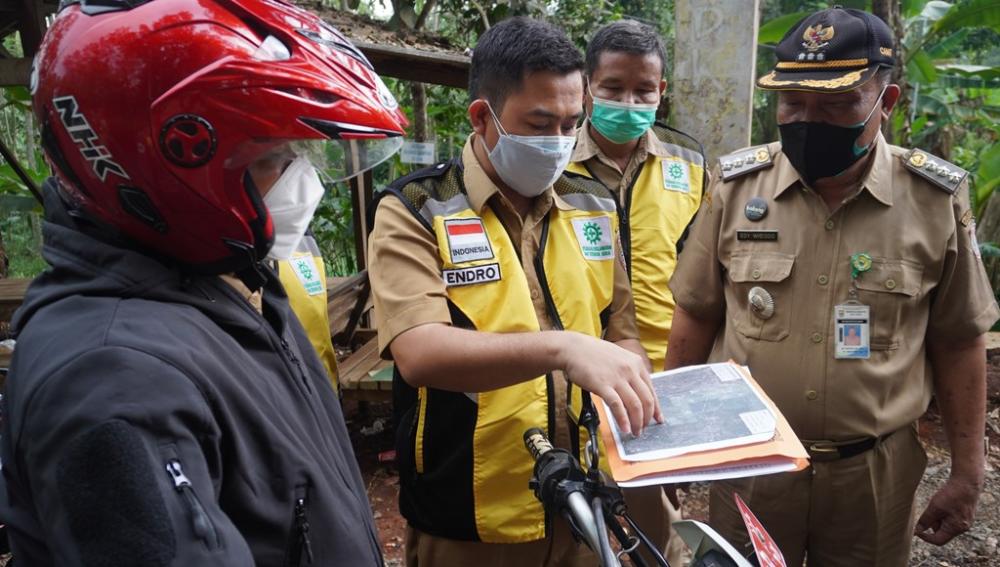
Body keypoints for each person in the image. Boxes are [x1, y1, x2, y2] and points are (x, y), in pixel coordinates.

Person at [0, 0, 407, 564]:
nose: (304, 182)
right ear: (168, 163)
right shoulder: (116, 382)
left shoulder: (227, 282)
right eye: (279, 156)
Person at [665, 7, 999, 566]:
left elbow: (959, 337)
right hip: (752, 467)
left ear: (886, 104)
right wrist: (671, 447)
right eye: (792, 104)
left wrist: (969, 470)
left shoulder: (934, 200)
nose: (807, 121)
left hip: (872, 478)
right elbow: (696, 316)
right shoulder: (736, 186)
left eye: (837, 105)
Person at [368, 17, 661, 567]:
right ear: (484, 117)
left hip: (584, 508)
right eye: (540, 122)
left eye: (573, 123)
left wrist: (634, 390)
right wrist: (564, 348)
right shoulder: (418, 207)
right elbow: (421, 352)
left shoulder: (592, 203)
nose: (558, 143)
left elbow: (620, 329)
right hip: (470, 516)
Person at [567, 19, 706, 566]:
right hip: (577, 373)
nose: (629, 102)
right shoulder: (554, 162)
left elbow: (708, 276)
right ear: (586, 88)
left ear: (661, 92)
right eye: (613, 89)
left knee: (655, 536)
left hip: (665, 382)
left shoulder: (690, 162)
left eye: (643, 91)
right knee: (575, 527)